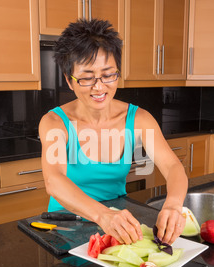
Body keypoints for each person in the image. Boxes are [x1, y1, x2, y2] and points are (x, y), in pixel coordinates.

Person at [39, 19, 188, 245]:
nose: (99, 87)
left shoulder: (138, 119)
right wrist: (102, 215)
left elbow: (173, 166)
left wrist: (173, 205)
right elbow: (54, 181)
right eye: (87, 77)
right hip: (66, 226)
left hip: (118, 224)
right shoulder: (54, 122)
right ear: (70, 81)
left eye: (108, 74)